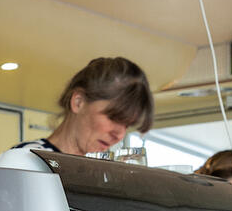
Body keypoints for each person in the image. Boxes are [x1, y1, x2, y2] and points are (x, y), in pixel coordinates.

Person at [14, 56, 154, 156]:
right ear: (78, 102)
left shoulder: (94, 174)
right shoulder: (29, 158)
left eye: (126, 125)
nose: (119, 134)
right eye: (114, 118)